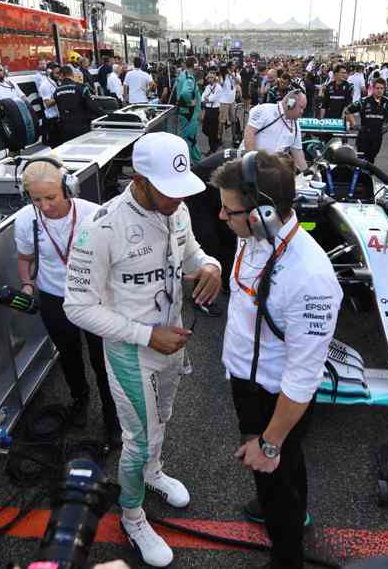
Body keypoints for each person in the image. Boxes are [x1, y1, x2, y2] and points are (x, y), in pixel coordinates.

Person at [64, 132, 221, 568]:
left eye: (181, 189)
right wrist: (145, 335)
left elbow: (191, 254)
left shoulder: (179, 209)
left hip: (172, 344)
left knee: (163, 420)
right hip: (133, 351)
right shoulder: (102, 226)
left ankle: (153, 473)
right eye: (168, 191)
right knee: (138, 440)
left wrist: (211, 265)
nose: (177, 199)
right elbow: (76, 307)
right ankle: (132, 517)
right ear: (140, 180)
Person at [210, 151, 342, 569]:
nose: (220, 215)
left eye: (229, 209)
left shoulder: (311, 277)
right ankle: (282, 503)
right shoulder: (253, 234)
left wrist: (269, 443)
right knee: (283, 471)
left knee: (277, 476)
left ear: (263, 213)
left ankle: (287, 557)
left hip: (277, 396)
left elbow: (303, 378)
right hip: (247, 381)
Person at [14, 157, 119, 443]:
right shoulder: (26, 219)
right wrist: (26, 284)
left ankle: (113, 414)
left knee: (103, 360)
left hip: (95, 298)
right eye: (37, 199)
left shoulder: (96, 214)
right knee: (69, 356)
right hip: (54, 299)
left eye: (51, 197)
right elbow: (25, 258)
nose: (45, 206)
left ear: (68, 188)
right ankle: (79, 400)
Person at [242, 92, 309, 171]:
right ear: (290, 104)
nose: (302, 112)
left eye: (303, 109)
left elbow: (297, 152)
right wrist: (252, 163)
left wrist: (306, 172)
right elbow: (249, 134)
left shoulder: (296, 125)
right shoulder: (265, 110)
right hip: (251, 164)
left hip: (270, 170)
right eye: (301, 107)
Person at [343, 77, 388, 164]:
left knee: (371, 160)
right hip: (364, 135)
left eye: (381, 88)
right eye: (377, 88)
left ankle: (368, 176)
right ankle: (359, 176)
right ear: (373, 88)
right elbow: (348, 110)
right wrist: (354, 124)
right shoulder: (364, 101)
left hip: (377, 136)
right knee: (361, 160)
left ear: (384, 89)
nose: (379, 90)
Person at [54, 64, 102, 142]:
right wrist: (105, 115)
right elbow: (92, 106)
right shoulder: (81, 88)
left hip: (65, 128)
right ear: (72, 75)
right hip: (82, 127)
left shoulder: (57, 91)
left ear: (62, 75)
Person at [173, 57, 202, 162]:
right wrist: (190, 102)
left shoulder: (183, 75)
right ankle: (198, 164)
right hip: (190, 114)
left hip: (185, 113)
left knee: (188, 139)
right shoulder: (189, 78)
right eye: (197, 65)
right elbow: (185, 93)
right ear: (194, 65)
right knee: (191, 140)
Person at [37, 62, 61, 147]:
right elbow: (47, 104)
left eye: (60, 73)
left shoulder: (58, 82)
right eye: (57, 73)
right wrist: (61, 96)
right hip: (53, 121)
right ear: (50, 72)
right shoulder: (45, 85)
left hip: (60, 118)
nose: (59, 75)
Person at [201, 71, 223, 153]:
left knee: (213, 130)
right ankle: (216, 141)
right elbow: (202, 98)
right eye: (209, 77)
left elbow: (214, 98)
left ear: (215, 78)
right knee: (205, 129)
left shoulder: (218, 88)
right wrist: (206, 100)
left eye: (211, 77)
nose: (210, 79)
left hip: (214, 110)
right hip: (208, 109)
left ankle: (212, 148)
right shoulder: (207, 87)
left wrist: (207, 99)